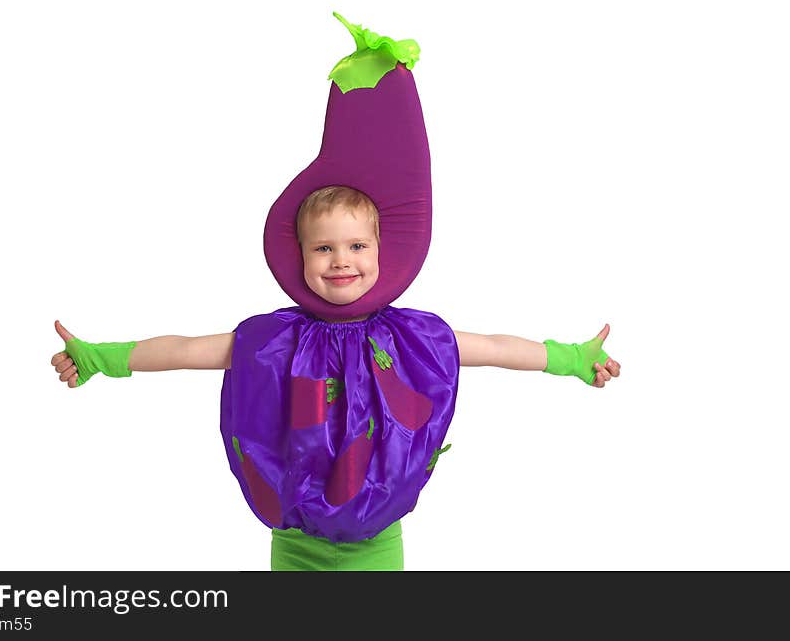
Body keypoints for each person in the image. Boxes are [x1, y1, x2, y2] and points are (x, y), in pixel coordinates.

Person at [51, 185, 621, 570]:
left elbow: (497, 347)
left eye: (356, 245)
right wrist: (101, 357)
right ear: (298, 258)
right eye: (323, 247)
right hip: (295, 540)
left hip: (377, 537)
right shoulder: (272, 341)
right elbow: (182, 350)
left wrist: (572, 358)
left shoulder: (410, 340)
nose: (340, 260)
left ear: (381, 252)